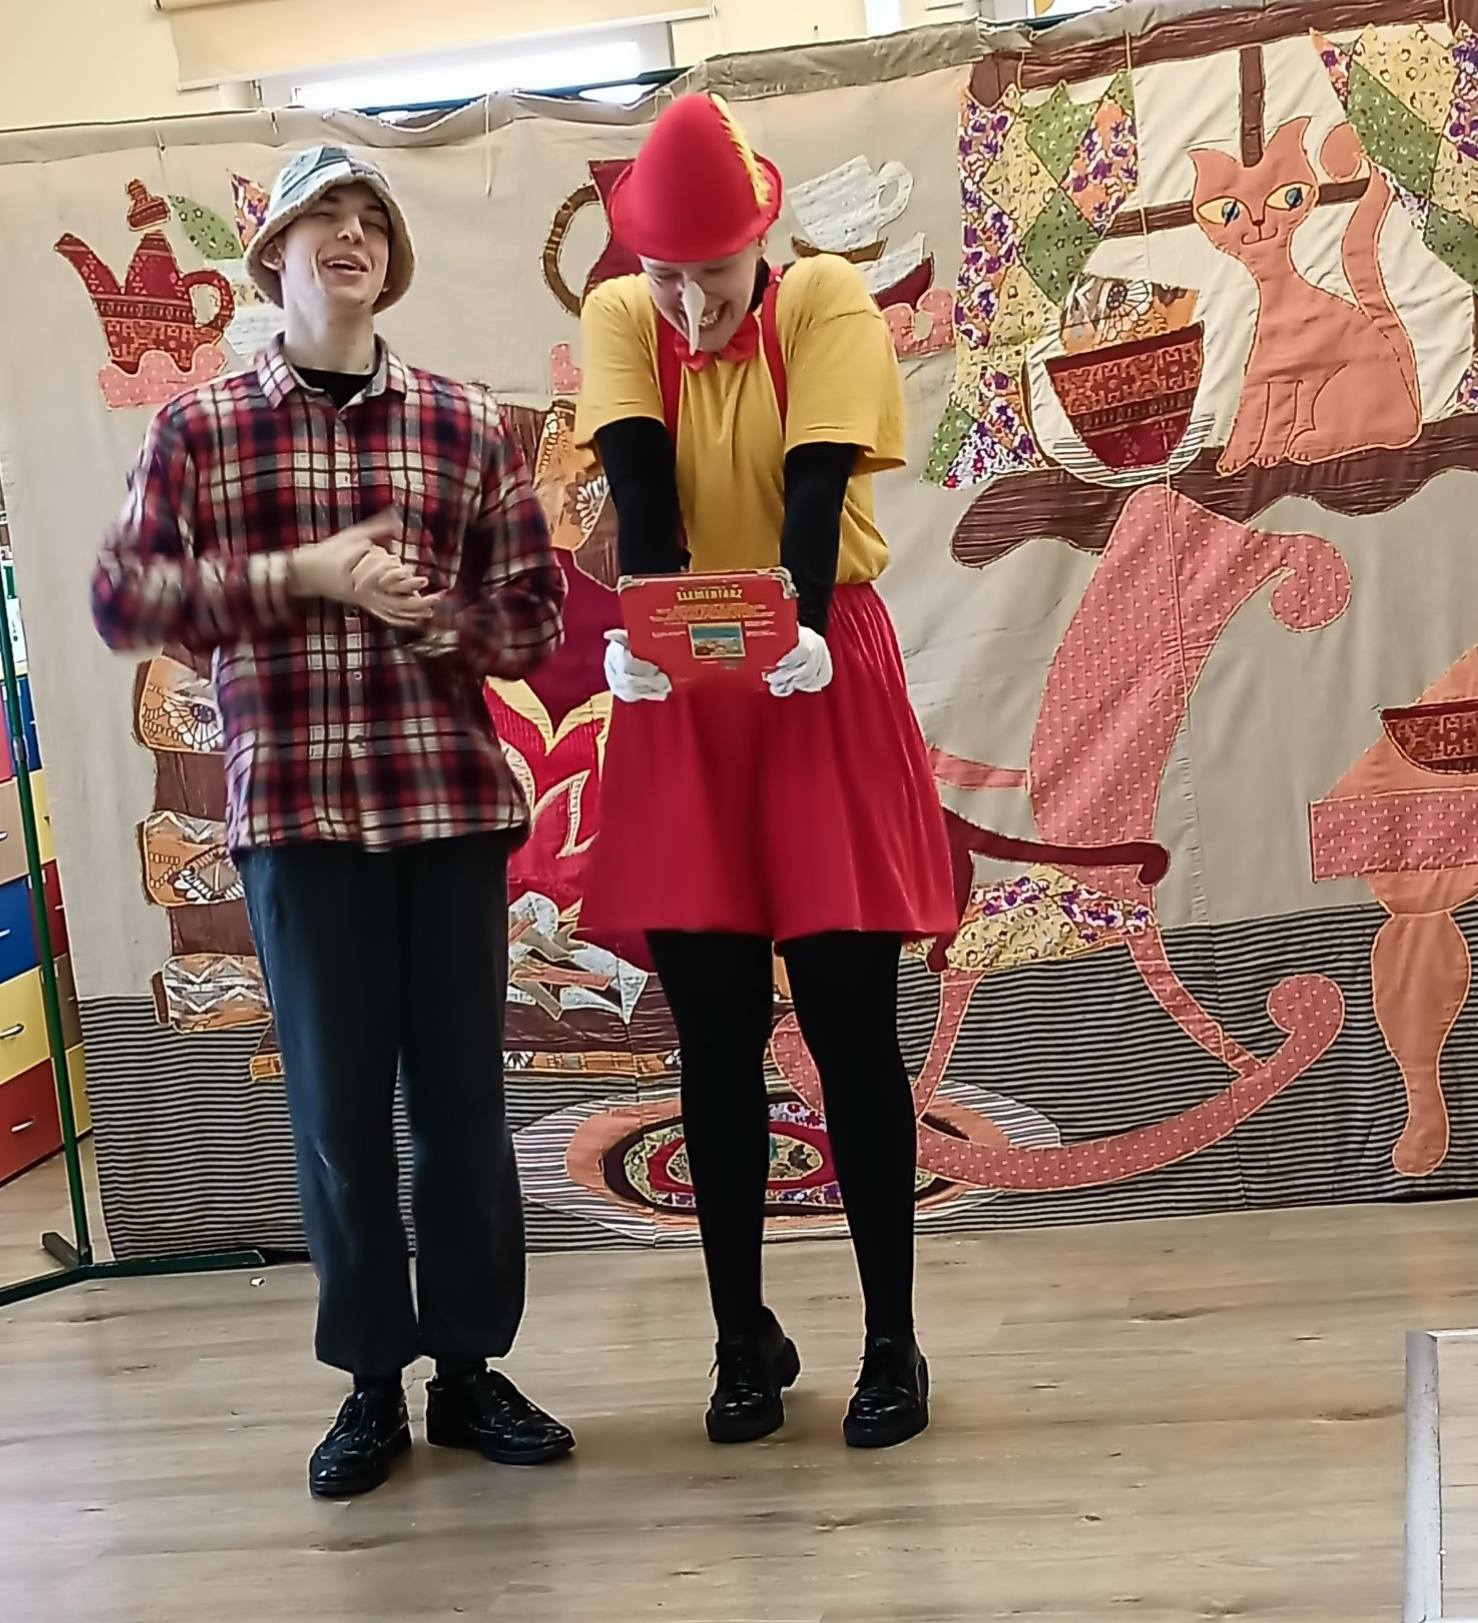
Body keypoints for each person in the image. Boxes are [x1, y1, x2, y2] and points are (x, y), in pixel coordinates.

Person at [91, 146, 574, 1498]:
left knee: (464, 1114)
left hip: (446, 809)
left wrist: (439, 619)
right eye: (323, 218)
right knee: (338, 1118)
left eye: (372, 220)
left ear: (391, 260)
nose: (351, 235)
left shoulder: (464, 425)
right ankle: (371, 1384)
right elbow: (129, 600)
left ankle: (468, 1372)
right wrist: (303, 573)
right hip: (298, 823)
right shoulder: (200, 432)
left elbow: (535, 619)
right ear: (275, 257)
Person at [576, 96, 957, 1450]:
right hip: (684, 684)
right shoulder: (622, 317)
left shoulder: (825, 300)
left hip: (817, 668)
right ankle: (742, 1339)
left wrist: (794, 625)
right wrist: (640, 634)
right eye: (666, 275)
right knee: (716, 1033)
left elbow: (813, 492)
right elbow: (643, 503)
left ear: (762, 242)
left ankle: (892, 1344)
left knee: (850, 1025)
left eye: (715, 274)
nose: (690, 305)